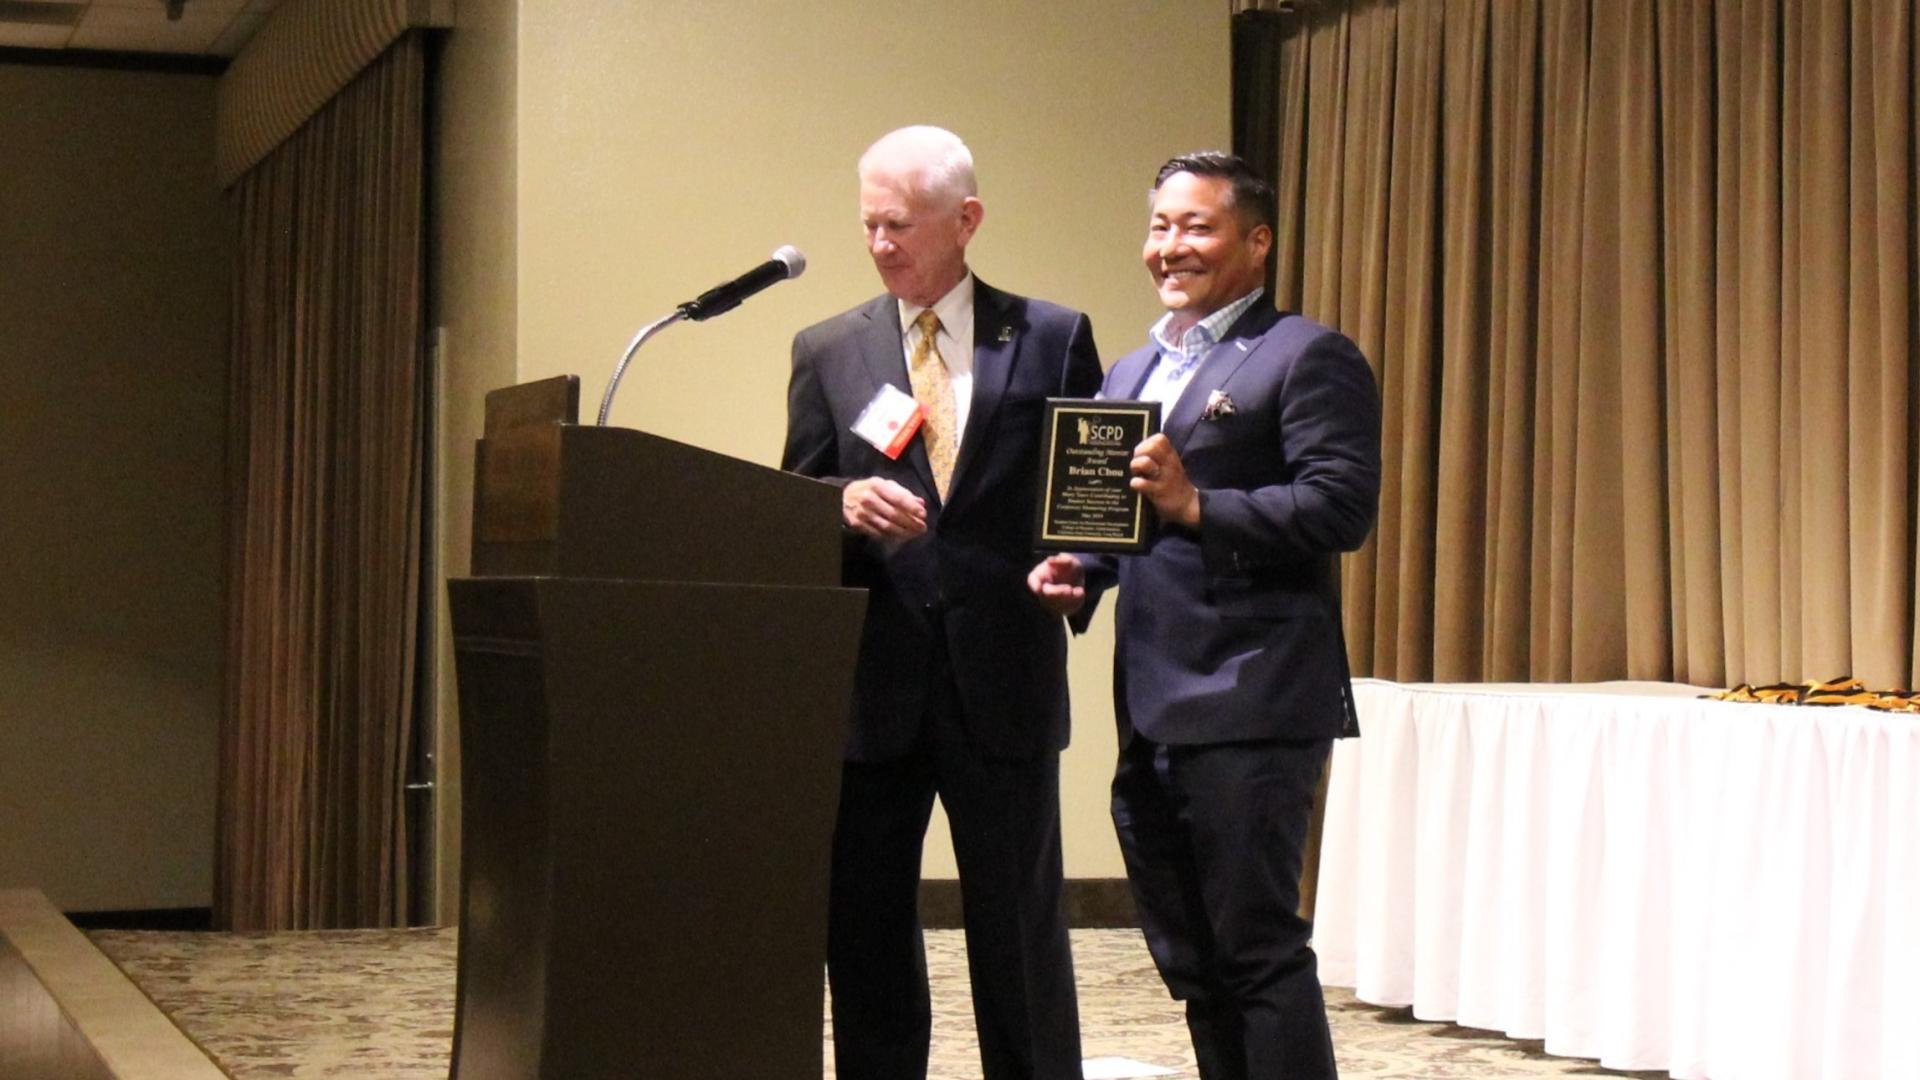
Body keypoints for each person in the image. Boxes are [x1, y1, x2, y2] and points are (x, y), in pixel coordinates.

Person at [1027, 151, 1382, 1080]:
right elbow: (1124, 523)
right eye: (1158, 226)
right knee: (1193, 962)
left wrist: (1199, 506)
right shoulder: (1133, 366)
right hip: (1151, 706)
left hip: (1253, 698)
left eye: (1196, 227)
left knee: (1257, 954)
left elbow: (1340, 509)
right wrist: (1083, 567)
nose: (1168, 246)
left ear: (1256, 242)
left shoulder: (1307, 355)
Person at [782, 125, 1101, 1080]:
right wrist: (837, 504)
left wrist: (1079, 564)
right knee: (868, 925)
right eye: (869, 225)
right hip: (874, 688)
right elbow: (791, 500)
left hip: (1003, 677)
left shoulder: (1052, 335)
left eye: (901, 225)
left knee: (1020, 930)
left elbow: (1088, 496)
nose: (881, 245)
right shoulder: (829, 348)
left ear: (966, 221)